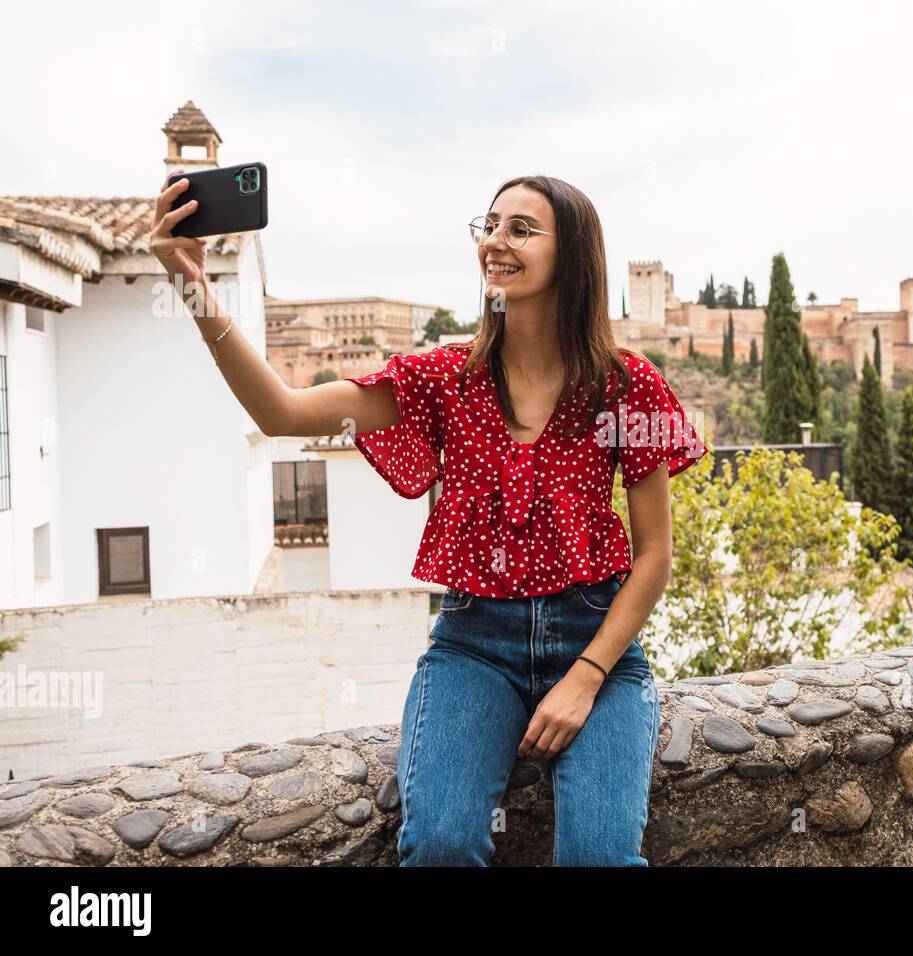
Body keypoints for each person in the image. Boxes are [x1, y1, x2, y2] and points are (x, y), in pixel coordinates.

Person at [150, 171, 709, 866]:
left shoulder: (625, 385)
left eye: (521, 229)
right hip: (474, 648)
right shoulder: (441, 381)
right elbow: (282, 413)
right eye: (491, 225)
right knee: (440, 844)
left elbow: (656, 555)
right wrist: (191, 284)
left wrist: (588, 674)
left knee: (598, 857)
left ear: (574, 257)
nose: (495, 242)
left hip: (596, 644)